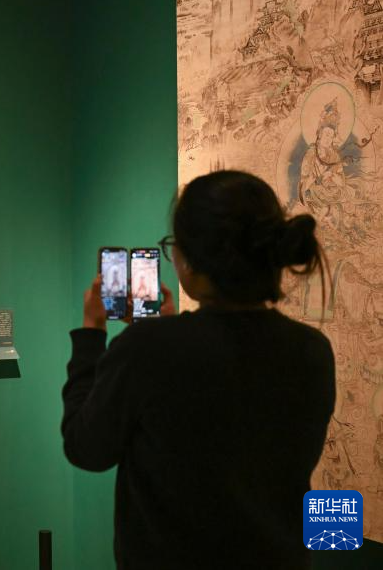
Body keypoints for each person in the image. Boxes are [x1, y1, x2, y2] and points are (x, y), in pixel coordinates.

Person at [62, 170, 334, 569]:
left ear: (191, 261)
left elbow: (86, 448)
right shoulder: (312, 350)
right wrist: (163, 333)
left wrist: (91, 333)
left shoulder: (147, 349)